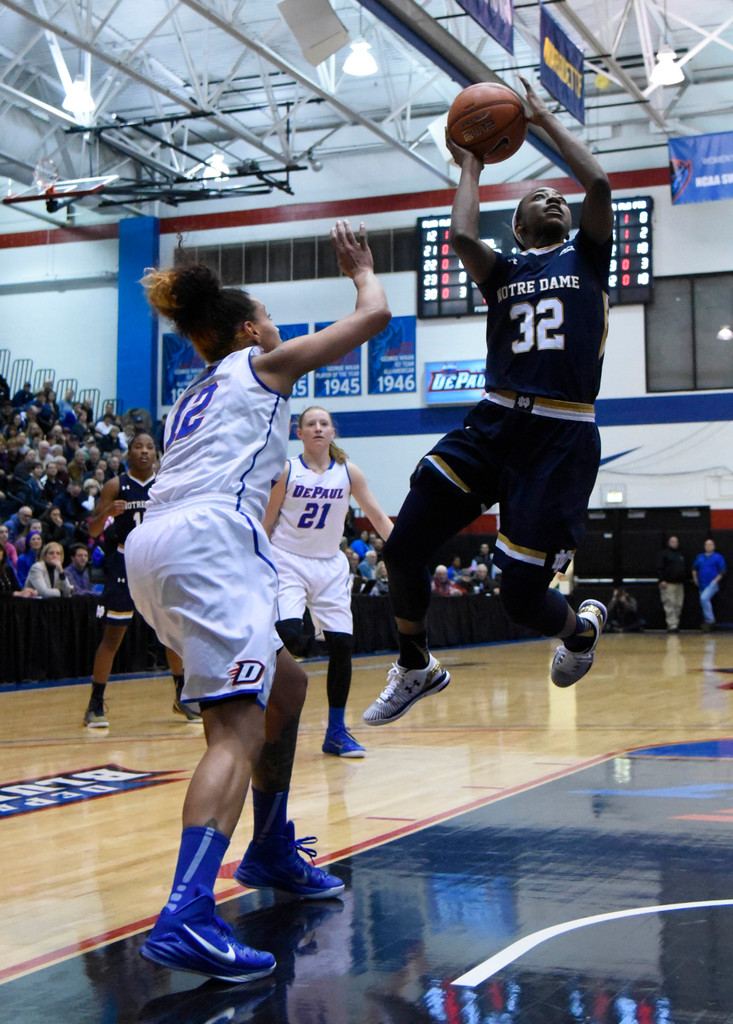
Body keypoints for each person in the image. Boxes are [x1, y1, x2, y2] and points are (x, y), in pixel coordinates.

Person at [122, 219, 389, 983]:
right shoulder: (260, 366)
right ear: (246, 329)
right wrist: (362, 270)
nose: (274, 326)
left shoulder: (188, 398)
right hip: (209, 543)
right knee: (233, 732)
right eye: (266, 316)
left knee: (289, 683)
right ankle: (186, 913)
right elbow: (373, 320)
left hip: (159, 545)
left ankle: (268, 845)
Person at [363, 75, 613, 726]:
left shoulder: (587, 260)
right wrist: (469, 165)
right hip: (494, 420)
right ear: (517, 224)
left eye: (554, 197)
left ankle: (578, 631)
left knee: (520, 598)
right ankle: (414, 661)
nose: (548, 199)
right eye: (535, 196)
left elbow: (599, 187)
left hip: (560, 438)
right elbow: (461, 239)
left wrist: (542, 121)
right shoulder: (501, 272)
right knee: (403, 546)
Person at [263, 405, 393, 759]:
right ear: (299, 432)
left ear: (332, 432)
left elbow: (378, 516)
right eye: (311, 424)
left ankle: (336, 732)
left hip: (330, 565)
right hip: (286, 560)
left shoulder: (348, 472)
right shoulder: (288, 471)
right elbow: (266, 523)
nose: (318, 428)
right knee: (291, 636)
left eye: (324, 423)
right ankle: (264, 705)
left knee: (342, 646)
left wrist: (404, 554)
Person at [81, 432, 195, 727]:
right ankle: (95, 703)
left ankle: (182, 696)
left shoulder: (165, 485)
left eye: (149, 447)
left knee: (171, 632)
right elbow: (92, 531)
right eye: (138, 446)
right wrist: (108, 511)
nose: (144, 451)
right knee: (113, 636)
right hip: (124, 561)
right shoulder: (116, 485)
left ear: (157, 454)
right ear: (128, 452)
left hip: (158, 562)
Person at [692, 539, 727, 632]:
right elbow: (694, 568)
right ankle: (707, 622)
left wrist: (715, 581)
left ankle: (710, 620)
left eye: (710, 544)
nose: (708, 546)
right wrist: (695, 579)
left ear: (714, 546)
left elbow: (723, 571)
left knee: (704, 598)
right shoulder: (700, 557)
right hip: (701, 584)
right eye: (707, 545)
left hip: (712, 583)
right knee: (703, 601)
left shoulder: (718, 557)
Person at [657, 535, 686, 632]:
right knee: (670, 604)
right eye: (673, 541)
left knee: (678, 604)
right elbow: (659, 568)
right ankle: (671, 624)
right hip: (668, 584)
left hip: (679, 584)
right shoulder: (664, 554)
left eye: (676, 542)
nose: (675, 543)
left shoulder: (680, 554)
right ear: (669, 543)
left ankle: (676, 623)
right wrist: (662, 580)